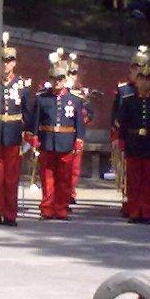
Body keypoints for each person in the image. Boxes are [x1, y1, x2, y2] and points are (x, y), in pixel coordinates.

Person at [30, 49, 86, 221]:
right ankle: (47, 208)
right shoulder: (42, 99)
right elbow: (35, 121)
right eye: (55, 78)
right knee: (47, 177)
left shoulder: (75, 100)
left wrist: (79, 139)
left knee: (64, 178)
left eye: (61, 78)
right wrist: (34, 137)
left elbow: (79, 122)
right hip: (47, 141)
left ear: (65, 79)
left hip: (66, 141)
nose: (58, 81)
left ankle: (61, 209)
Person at [116, 63, 150, 224]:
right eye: (141, 79)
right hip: (133, 144)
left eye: (147, 79)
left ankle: (145, 212)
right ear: (136, 81)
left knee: (148, 181)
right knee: (133, 180)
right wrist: (121, 143)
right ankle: (134, 211)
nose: (144, 82)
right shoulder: (128, 101)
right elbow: (122, 124)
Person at [0, 33, 34, 226]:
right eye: (3, 61)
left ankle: (10, 214)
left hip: (13, 135)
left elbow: (28, 113)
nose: (5, 65)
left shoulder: (22, 85)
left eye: (9, 61)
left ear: (14, 63)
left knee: (11, 178)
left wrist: (28, 137)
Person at [66, 55, 96, 204]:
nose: (71, 76)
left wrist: (83, 118)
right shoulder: (55, 90)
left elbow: (90, 113)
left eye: (73, 73)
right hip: (61, 133)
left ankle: (70, 192)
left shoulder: (82, 92)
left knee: (74, 166)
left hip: (77, 133)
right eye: (69, 73)